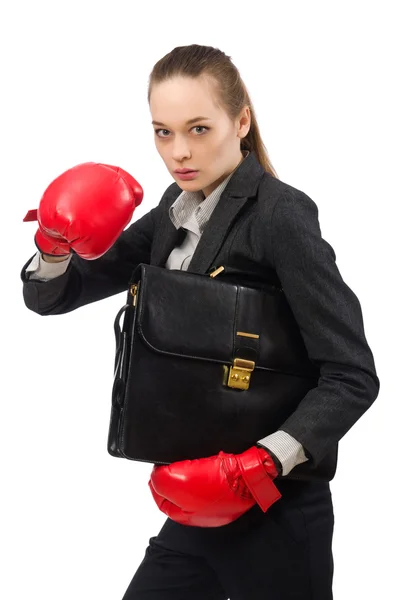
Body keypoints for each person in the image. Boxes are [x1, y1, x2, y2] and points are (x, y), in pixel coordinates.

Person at [20, 44, 380, 599]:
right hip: (194, 502)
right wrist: (52, 242)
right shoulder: (174, 207)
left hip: (275, 510)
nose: (179, 152)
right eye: (163, 131)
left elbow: (353, 374)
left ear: (241, 121)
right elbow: (59, 295)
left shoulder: (280, 214)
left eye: (198, 128)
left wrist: (261, 466)